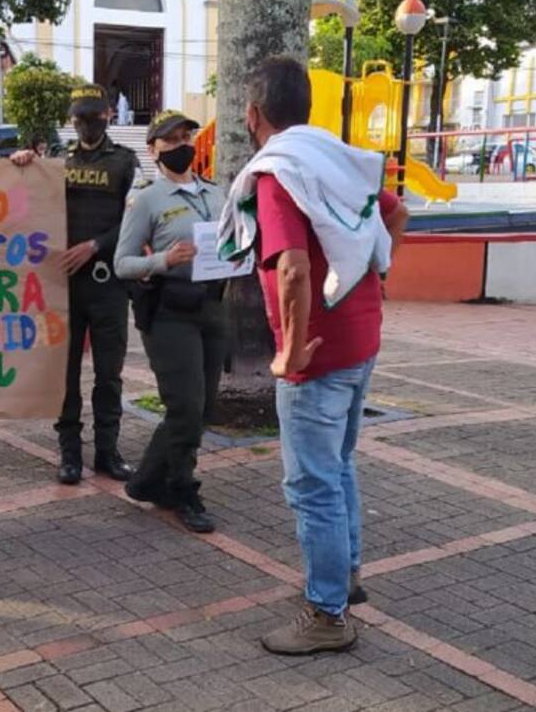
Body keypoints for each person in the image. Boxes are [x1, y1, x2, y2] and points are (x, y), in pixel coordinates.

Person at [217, 57, 409, 655]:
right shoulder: (333, 157)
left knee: (312, 484)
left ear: (253, 114)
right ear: (305, 107)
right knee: (338, 465)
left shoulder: (279, 172)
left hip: (317, 356)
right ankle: (344, 577)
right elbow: (396, 212)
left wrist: (292, 349)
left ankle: (327, 615)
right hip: (360, 339)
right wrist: (376, 274)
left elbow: (293, 270)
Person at [12, 85, 136, 484]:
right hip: (62, 287)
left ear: (108, 116)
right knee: (65, 375)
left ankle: (107, 452)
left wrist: (95, 245)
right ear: (72, 120)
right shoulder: (56, 161)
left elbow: (134, 221)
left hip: (107, 283)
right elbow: (28, 201)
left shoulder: (125, 161)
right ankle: (69, 453)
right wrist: (23, 164)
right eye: (80, 118)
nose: (87, 125)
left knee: (109, 374)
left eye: (94, 117)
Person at [115, 111, 226, 533]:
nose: (182, 146)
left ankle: (147, 481)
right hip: (169, 311)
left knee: (203, 408)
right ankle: (181, 489)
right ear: (153, 150)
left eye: (186, 137)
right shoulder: (147, 199)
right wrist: (165, 259)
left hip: (212, 306)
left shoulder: (216, 193)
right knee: (185, 407)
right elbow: (122, 263)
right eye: (171, 140)